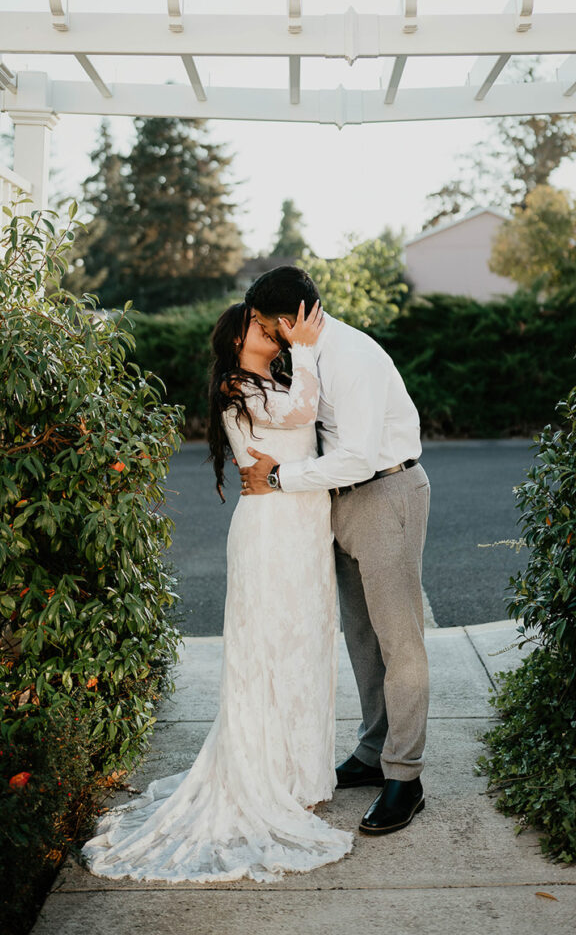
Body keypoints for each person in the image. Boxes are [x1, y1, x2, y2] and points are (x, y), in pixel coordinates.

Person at [79, 299, 353, 883]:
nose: (275, 332)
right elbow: (303, 408)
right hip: (270, 531)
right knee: (269, 652)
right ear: (237, 339)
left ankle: (300, 775)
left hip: (305, 527)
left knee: (306, 647)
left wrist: (299, 354)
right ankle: (265, 778)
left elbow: (311, 419)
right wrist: (304, 348)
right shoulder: (237, 385)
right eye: (262, 326)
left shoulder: (278, 375)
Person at [240, 265, 431, 837]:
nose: (255, 330)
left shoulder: (354, 357)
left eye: (257, 322)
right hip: (337, 503)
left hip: (386, 491)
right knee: (361, 635)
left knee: (400, 640)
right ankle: (374, 752)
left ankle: (406, 777)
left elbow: (360, 456)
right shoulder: (306, 354)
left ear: (283, 320)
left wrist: (278, 479)